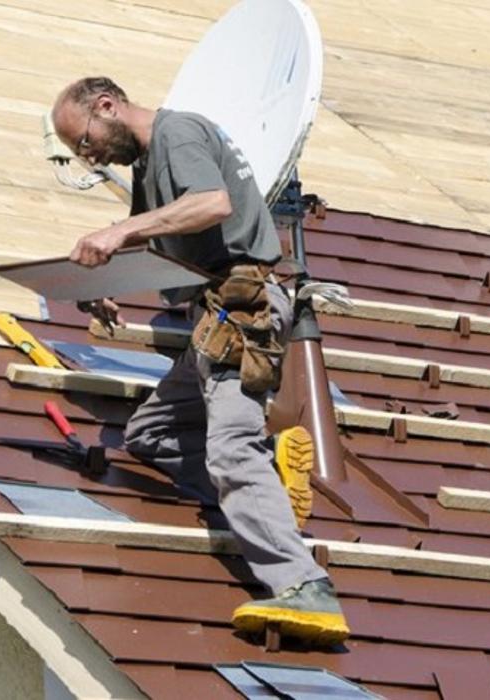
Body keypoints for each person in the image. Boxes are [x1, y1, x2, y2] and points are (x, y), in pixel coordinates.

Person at [51, 77, 348, 645]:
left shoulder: (177, 132)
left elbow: (212, 204)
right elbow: (149, 243)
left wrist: (119, 229)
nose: (88, 157)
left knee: (232, 446)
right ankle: (272, 498)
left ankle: (305, 585)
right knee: (151, 433)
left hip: (244, 310)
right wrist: (107, 282)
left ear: (107, 106)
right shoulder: (147, 167)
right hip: (213, 323)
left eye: (85, 141)